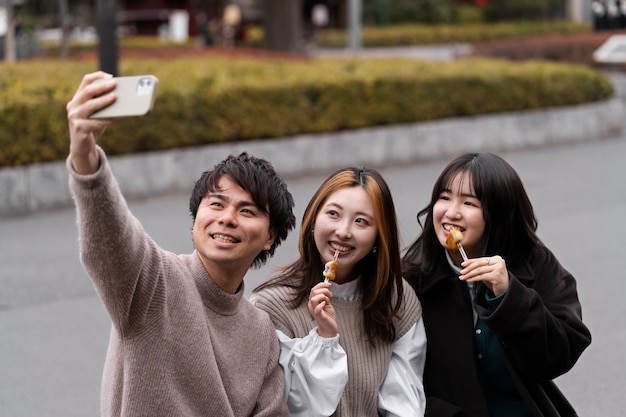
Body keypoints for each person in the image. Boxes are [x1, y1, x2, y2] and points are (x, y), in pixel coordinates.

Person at [66, 71, 295, 416]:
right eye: (216, 204)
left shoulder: (261, 332)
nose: (227, 218)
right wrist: (85, 157)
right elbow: (110, 239)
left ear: (269, 237)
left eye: (247, 210)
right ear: (196, 218)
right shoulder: (153, 280)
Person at [402, 152, 591, 417]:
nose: (451, 212)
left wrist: (509, 295)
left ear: (498, 213)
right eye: (444, 198)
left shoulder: (535, 265)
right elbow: (399, 376)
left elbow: (559, 356)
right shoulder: (412, 280)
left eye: (469, 203)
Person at [251, 167, 427, 417]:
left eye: (361, 221)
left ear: (380, 236)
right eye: (333, 214)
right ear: (313, 219)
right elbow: (302, 408)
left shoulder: (397, 299)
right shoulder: (272, 305)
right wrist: (324, 336)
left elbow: (403, 406)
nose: (344, 231)